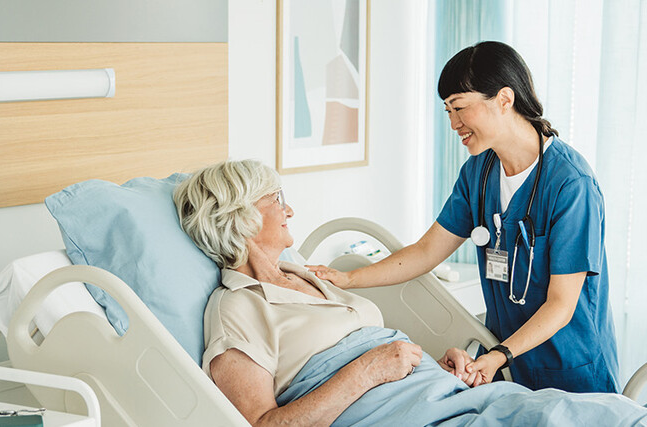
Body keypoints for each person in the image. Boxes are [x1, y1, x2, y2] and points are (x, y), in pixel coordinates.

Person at [173, 159, 646, 426]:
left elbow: (387, 359)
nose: (290, 208)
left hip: (442, 395)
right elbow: (263, 425)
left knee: (604, 414)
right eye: (276, 199)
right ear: (242, 216)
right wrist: (371, 369)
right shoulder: (236, 306)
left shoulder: (309, 276)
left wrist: (436, 367)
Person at [309, 41, 619, 393]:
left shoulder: (571, 184)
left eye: (459, 108)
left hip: (570, 369)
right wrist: (346, 280)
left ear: (504, 99)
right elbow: (426, 252)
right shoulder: (479, 173)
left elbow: (562, 305)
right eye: (447, 111)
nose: (454, 123)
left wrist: (500, 354)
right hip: (510, 370)